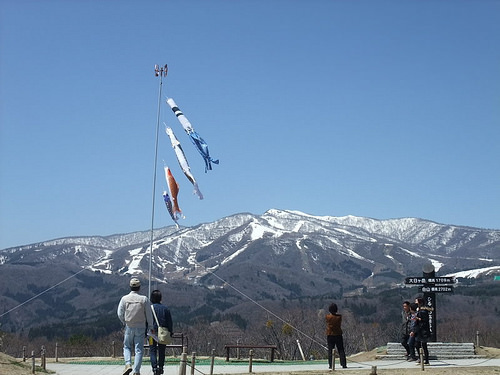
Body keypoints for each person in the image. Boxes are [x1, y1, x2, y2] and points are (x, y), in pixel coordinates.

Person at [117, 277, 154, 375]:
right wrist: (150, 326)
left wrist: (124, 321)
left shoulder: (124, 299)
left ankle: (128, 364)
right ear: (139, 287)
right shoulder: (144, 299)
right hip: (141, 326)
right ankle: (136, 370)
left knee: (127, 346)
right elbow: (149, 314)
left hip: (129, 326)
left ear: (130, 287)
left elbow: (119, 313)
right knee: (139, 349)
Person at [149, 289, 173, 375]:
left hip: (152, 333)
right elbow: (169, 322)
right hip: (163, 333)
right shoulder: (165, 309)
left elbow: (146, 321)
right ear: (160, 298)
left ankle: (154, 368)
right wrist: (170, 331)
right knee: (162, 351)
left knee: (152, 350)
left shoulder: (150, 308)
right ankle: (161, 367)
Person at [325, 302, 347, 369]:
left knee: (330, 350)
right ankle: (343, 364)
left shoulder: (327, 317)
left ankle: (331, 364)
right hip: (338, 334)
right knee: (341, 349)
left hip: (330, 334)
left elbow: (327, 320)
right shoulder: (339, 317)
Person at [414, 297, 431, 365]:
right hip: (420, 330)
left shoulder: (423, 311)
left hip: (423, 331)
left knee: (424, 346)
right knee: (418, 345)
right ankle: (421, 358)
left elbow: (424, 321)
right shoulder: (420, 310)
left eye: (416, 301)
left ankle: (426, 360)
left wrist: (418, 319)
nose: (415, 302)